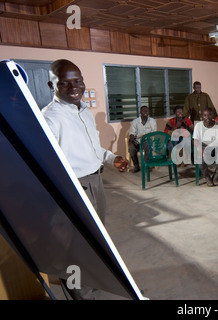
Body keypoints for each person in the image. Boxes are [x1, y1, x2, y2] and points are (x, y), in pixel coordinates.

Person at [42, 59, 129, 300]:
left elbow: (93, 149)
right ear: (52, 85)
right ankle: (79, 295)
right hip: (74, 187)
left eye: (77, 81)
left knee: (93, 241)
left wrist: (113, 158)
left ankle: (88, 284)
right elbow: (47, 161)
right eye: (65, 83)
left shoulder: (84, 111)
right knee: (74, 245)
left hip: (95, 183)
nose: (73, 87)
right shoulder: (50, 118)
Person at [192, 107, 218, 186]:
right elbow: (195, 140)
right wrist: (201, 148)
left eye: (209, 115)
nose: (207, 117)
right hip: (204, 146)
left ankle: (215, 177)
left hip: (216, 146)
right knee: (200, 161)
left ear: (213, 115)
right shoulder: (198, 126)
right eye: (205, 115)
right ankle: (207, 177)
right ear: (202, 116)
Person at [128, 106, 157, 173]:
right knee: (131, 148)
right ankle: (136, 166)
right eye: (143, 111)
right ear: (140, 112)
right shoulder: (135, 121)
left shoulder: (152, 121)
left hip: (147, 140)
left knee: (148, 146)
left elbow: (154, 133)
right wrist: (131, 140)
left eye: (147, 111)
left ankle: (146, 165)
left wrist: (146, 136)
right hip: (137, 140)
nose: (145, 112)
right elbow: (132, 132)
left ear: (149, 112)